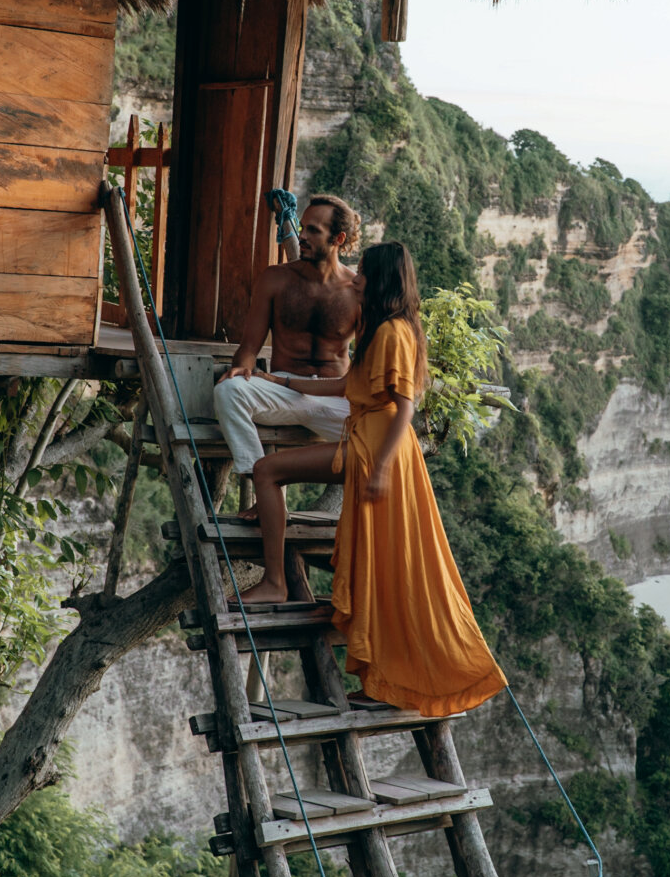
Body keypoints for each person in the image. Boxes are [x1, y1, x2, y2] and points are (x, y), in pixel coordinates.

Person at [244, 240, 507, 718]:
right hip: (369, 442)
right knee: (381, 564)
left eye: (363, 272)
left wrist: (382, 468)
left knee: (269, 472)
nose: (356, 278)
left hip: (377, 449)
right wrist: (282, 382)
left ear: (381, 279)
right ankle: (386, 681)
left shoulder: (391, 332)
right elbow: (346, 386)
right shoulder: (384, 328)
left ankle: (274, 581)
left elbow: (405, 405)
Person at [214, 195, 361, 504]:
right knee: (228, 391)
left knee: (390, 429)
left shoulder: (357, 290)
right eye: (301, 227)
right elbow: (249, 348)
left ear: (338, 239)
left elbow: (369, 359)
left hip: (335, 398)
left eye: (313, 230)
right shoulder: (276, 279)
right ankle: (262, 489)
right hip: (284, 390)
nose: (302, 236)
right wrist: (243, 366)